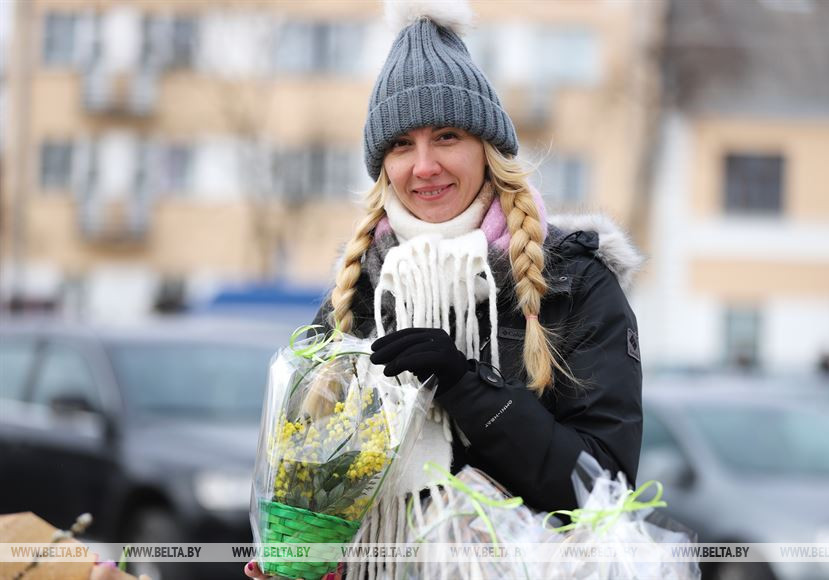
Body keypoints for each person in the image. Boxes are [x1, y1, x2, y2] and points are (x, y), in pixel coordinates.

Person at [247, 3, 643, 578]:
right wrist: (296, 558)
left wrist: (467, 388)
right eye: (402, 144)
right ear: (383, 164)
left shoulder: (572, 283)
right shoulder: (357, 295)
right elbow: (303, 483)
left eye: (447, 136)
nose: (425, 165)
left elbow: (604, 491)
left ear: (487, 147)